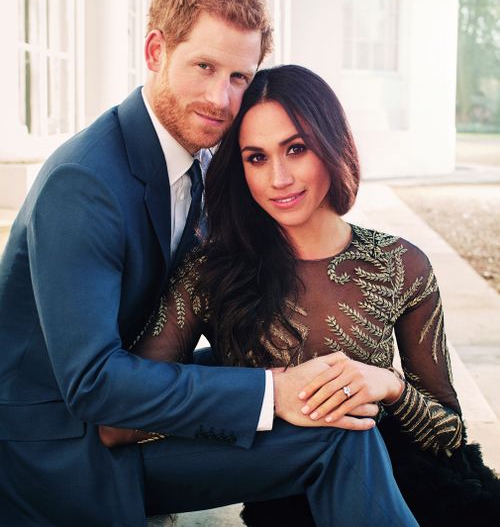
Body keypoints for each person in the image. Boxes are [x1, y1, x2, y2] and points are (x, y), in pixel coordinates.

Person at [0, 0, 418, 526]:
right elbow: (92, 384)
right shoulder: (85, 183)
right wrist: (271, 392)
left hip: (132, 395)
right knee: (335, 437)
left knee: (325, 392)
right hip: (63, 448)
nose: (222, 99)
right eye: (204, 67)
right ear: (156, 51)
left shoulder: (193, 157)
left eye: (239, 75)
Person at [101, 64, 499, 527]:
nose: (280, 178)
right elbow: (127, 413)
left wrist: (389, 386)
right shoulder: (212, 273)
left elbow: (449, 432)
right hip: (293, 494)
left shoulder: (399, 265)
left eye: (296, 148)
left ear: (331, 146)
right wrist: (256, 401)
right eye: (257, 157)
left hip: (421, 483)